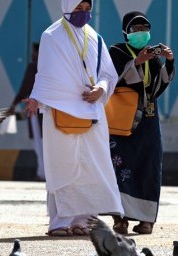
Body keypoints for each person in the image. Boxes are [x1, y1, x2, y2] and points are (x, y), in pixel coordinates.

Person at [24, 0, 124, 236]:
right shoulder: (52, 36)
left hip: (92, 112)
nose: (83, 13)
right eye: (78, 8)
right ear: (66, 6)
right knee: (63, 166)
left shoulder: (95, 38)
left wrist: (100, 88)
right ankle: (59, 222)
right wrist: (37, 97)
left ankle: (84, 220)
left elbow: (108, 74)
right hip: (61, 110)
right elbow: (46, 74)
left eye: (87, 8)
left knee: (92, 166)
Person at [108, 12, 175, 235]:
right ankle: (120, 220)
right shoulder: (116, 51)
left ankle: (147, 220)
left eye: (144, 28)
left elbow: (157, 88)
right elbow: (110, 79)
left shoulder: (153, 57)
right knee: (119, 167)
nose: (140, 33)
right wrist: (136, 62)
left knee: (149, 166)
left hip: (148, 120)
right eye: (135, 29)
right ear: (126, 31)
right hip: (123, 120)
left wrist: (169, 61)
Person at [9, 43, 45, 181]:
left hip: (35, 109)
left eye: (34, 52)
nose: (32, 55)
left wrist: (14, 104)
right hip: (51, 109)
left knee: (38, 142)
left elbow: (25, 88)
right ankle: (45, 173)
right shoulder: (51, 65)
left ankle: (42, 173)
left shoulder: (33, 67)